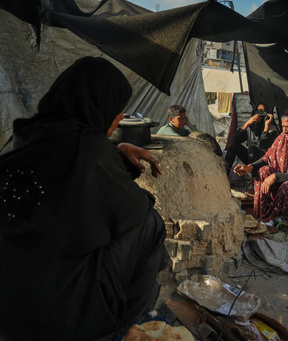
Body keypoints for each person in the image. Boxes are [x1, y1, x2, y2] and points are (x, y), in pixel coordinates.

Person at [0, 57, 169, 341]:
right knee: (151, 224)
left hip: (8, 297)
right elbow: (136, 207)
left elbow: (65, 178)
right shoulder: (91, 150)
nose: (117, 120)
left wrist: (113, 152)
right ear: (100, 108)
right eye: (117, 112)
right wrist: (115, 159)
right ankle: (126, 327)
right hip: (48, 316)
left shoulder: (23, 135)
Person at [234, 107, 288, 223]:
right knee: (263, 171)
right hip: (280, 183)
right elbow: (267, 157)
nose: (285, 131)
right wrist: (248, 167)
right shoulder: (282, 139)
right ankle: (265, 215)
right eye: (283, 126)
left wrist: (276, 177)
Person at [224, 102, 279, 175]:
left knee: (252, 149)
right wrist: (247, 123)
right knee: (233, 146)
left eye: (264, 110)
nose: (261, 113)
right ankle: (225, 172)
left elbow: (263, 144)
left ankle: (255, 178)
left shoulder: (272, 129)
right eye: (259, 110)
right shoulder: (251, 127)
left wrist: (266, 127)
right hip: (250, 158)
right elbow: (235, 140)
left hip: (265, 161)